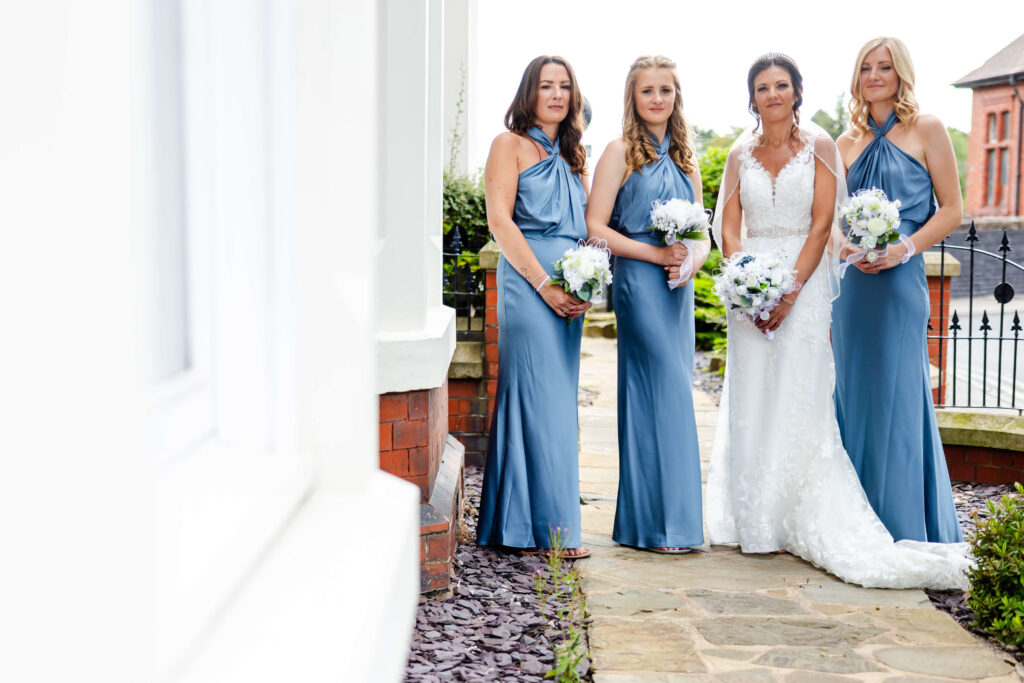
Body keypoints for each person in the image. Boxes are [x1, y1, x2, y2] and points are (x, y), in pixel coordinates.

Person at [706, 53, 969, 589]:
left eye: (782, 85)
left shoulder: (824, 146)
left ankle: (808, 510)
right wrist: (745, 279)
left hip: (809, 289)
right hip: (752, 286)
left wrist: (790, 291)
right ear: (751, 96)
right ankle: (753, 514)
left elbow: (824, 221)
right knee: (752, 395)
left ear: (797, 92)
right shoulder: (742, 151)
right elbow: (729, 224)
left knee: (805, 394)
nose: (773, 94)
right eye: (762, 86)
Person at [832, 37, 964, 544]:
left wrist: (904, 249)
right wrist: (849, 249)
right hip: (854, 291)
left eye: (884, 67)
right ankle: (855, 524)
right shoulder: (844, 144)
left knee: (900, 397)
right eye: (866, 67)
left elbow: (951, 209)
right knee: (854, 394)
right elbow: (830, 221)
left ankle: (905, 524)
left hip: (900, 282)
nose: (874, 76)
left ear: (900, 73)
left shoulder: (927, 128)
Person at [586, 55, 705, 554]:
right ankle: (656, 526)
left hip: (678, 287)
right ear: (633, 99)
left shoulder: (687, 157)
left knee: (677, 390)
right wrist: (657, 254)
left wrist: (692, 260)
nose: (657, 99)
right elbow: (596, 227)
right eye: (647, 91)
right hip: (638, 279)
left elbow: (702, 230)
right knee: (657, 391)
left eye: (666, 90)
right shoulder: (618, 152)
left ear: (676, 98)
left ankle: (672, 522)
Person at [476, 56, 592, 558]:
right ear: (529, 92)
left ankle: (531, 524)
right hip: (529, 285)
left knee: (559, 401)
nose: (557, 95)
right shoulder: (509, 145)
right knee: (534, 395)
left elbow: (587, 228)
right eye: (547, 86)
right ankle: (542, 528)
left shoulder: (573, 155)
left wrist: (588, 281)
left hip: (569, 288)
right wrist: (544, 283)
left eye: (565, 86)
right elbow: (501, 222)